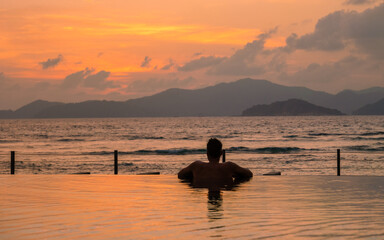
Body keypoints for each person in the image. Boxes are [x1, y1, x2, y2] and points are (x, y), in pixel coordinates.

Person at [178, 138, 253, 188]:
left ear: (207, 153)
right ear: (221, 153)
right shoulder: (229, 166)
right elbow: (249, 174)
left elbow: (180, 175)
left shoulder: (196, 166)